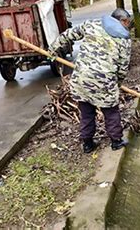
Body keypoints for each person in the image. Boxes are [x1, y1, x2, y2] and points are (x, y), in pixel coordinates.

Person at [49, 8, 132, 153]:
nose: (128, 26)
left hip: (81, 79)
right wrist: (117, 84)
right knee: (111, 112)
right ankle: (116, 141)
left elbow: (69, 34)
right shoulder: (124, 39)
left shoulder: (91, 24)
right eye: (128, 23)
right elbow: (123, 67)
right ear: (122, 21)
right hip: (104, 82)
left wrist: (53, 49)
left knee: (87, 112)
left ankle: (87, 144)